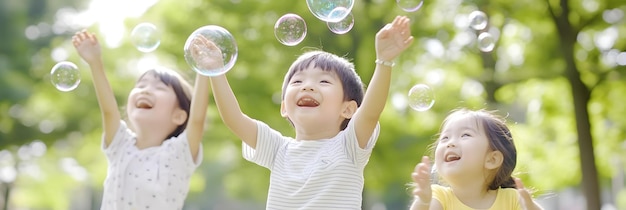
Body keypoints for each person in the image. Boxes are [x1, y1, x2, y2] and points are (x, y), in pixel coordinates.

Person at [204, 16, 413, 209]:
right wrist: (216, 71)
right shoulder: (278, 149)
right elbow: (234, 119)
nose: (308, 86)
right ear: (284, 107)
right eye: (297, 81)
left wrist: (384, 62)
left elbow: (370, 112)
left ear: (348, 109)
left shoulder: (349, 146)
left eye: (323, 81)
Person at [72, 30, 217, 210]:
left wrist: (203, 69)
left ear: (179, 115)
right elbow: (109, 110)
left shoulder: (179, 153)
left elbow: (197, 120)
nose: (146, 90)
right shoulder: (120, 145)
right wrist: (95, 62)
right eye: (141, 85)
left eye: (159, 87)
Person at [410, 108, 544, 210]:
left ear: (492, 159)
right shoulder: (439, 197)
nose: (450, 143)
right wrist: (423, 202)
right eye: (445, 138)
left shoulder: (511, 199)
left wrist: (530, 207)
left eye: (465, 135)